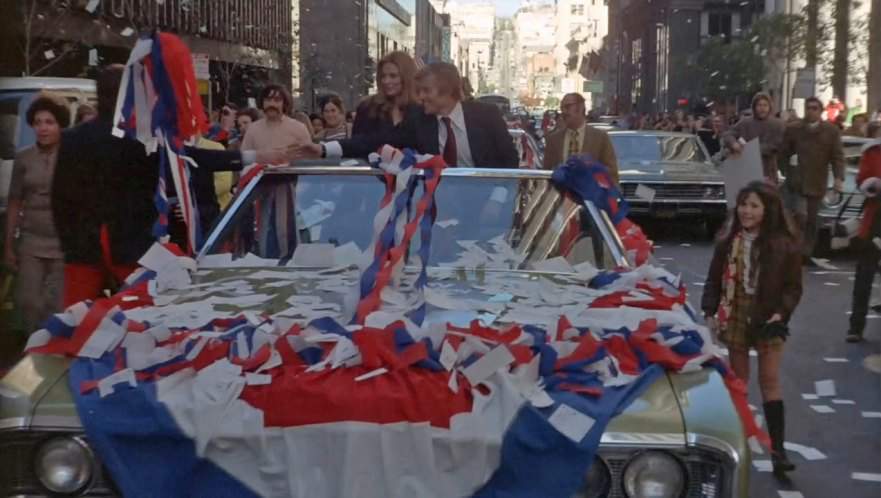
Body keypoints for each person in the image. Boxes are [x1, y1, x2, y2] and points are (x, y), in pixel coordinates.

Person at [52, 65, 287, 306]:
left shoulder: (74, 139)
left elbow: (59, 200)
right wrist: (254, 157)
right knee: (141, 319)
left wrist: (69, 243)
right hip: (133, 249)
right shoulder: (142, 139)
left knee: (77, 322)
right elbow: (194, 158)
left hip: (84, 251)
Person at [701, 181, 802, 479]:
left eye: (754, 205)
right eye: (743, 204)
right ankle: (736, 447)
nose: (746, 211)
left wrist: (780, 313)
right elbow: (714, 280)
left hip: (768, 318)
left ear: (768, 210)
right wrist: (710, 310)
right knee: (739, 382)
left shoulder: (784, 245)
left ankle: (778, 452)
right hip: (735, 312)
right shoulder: (727, 240)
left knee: (769, 381)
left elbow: (793, 288)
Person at [303, 62, 518, 168]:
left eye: (426, 90)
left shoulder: (486, 115)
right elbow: (373, 141)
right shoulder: (418, 119)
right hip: (436, 206)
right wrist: (323, 149)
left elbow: (510, 160)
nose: (420, 96)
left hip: (487, 204)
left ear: (446, 91)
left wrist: (496, 201)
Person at [3, 93, 69, 332]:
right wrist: (9, 246)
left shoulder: (72, 157)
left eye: (49, 122)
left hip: (62, 243)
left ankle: (55, 355)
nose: (43, 128)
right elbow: (14, 202)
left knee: (57, 306)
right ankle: (30, 352)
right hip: (31, 242)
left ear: (60, 125)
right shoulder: (23, 158)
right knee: (28, 302)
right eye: (38, 122)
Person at [778, 96, 845, 259]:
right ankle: (795, 249)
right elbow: (783, 153)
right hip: (797, 181)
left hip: (817, 181)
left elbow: (837, 156)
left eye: (815, 108)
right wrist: (785, 171)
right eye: (808, 108)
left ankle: (806, 251)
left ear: (821, 111)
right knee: (800, 216)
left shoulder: (831, 131)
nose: (811, 111)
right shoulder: (794, 128)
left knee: (812, 220)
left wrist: (838, 178)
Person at [845, 132, 881, 342]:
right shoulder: (873, 151)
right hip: (875, 220)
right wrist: (872, 184)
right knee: (864, 276)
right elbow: (861, 181)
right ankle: (856, 327)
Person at [542, 92, 618, 183]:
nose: (563, 112)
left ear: (580, 108)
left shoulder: (600, 138)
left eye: (567, 107)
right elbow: (546, 174)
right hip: (561, 194)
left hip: (590, 195)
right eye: (562, 108)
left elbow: (612, 173)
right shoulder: (554, 139)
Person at [352, 51, 420, 139]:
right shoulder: (367, 108)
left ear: (407, 77)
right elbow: (355, 145)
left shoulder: (422, 110)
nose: (386, 81)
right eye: (383, 76)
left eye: (393, 76)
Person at [723, 92, 785, 184]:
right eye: (759, 105)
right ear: (754, 107)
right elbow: (728, 134)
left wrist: (748, 149)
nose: (762, 108)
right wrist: (733, 143)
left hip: (767, 170)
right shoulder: (745, 122)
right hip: (746, 170)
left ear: (769, 107)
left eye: (765, 105)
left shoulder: (777, 125)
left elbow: (774, 145)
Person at [240, 84, 312, 154]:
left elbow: (309, 158)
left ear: (284, 103)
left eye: (277, 100)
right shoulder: (253, 129)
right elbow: (244, 157)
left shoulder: (299, 128)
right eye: (268, 100)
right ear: (262, 102)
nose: (272, 104)